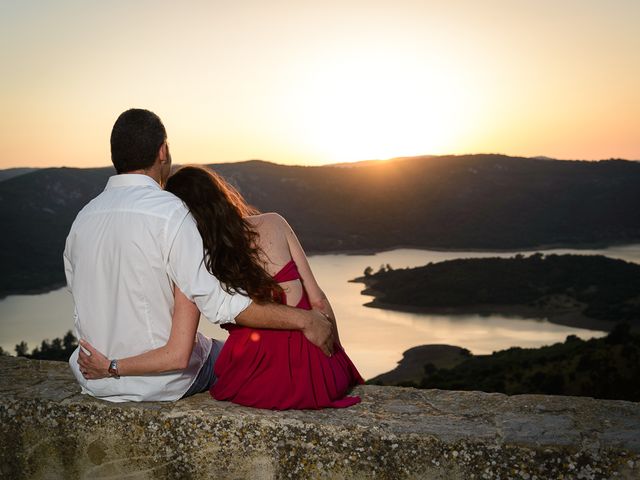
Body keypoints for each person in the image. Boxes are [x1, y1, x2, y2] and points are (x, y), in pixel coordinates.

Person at [65, 109, 334, 402]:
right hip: (161, 382)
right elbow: (222, 306)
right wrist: (306, 320)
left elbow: (82, 304)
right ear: (163, 151)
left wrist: (108, 366)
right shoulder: (173, 214)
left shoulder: (82, 219)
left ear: (116, 157)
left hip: (95, 379)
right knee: (232, 354)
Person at [78, 165, 364, 409]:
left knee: (215, 354)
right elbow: (319, 302)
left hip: (258, 380)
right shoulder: (275, 223)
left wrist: (112, 366)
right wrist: (336, 359)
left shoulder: (201, 257)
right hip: (316, 373)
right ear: (220, 195)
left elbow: (182, 346)